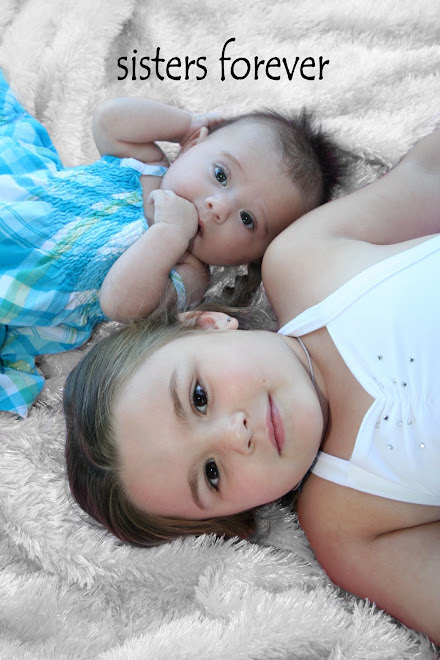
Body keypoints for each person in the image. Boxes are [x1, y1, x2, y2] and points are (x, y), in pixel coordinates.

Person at [64, 127, 440, 645]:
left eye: (199, 398)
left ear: (207, 324)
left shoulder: (301, 260)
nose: (234, 434)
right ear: (237, 515)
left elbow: (427, 174)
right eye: (212, 473)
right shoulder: (346, 526)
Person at [0, 70, 340, 417]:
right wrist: (186, 124)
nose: (219, 207)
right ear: (192, 147)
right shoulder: (147, 168)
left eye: (247, 219)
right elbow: (108, 120)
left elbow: (119, 302)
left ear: (250, 258)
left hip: (24, 281)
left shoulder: (188, 271)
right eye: (220, 175)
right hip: (21, 203)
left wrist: (169, 233)